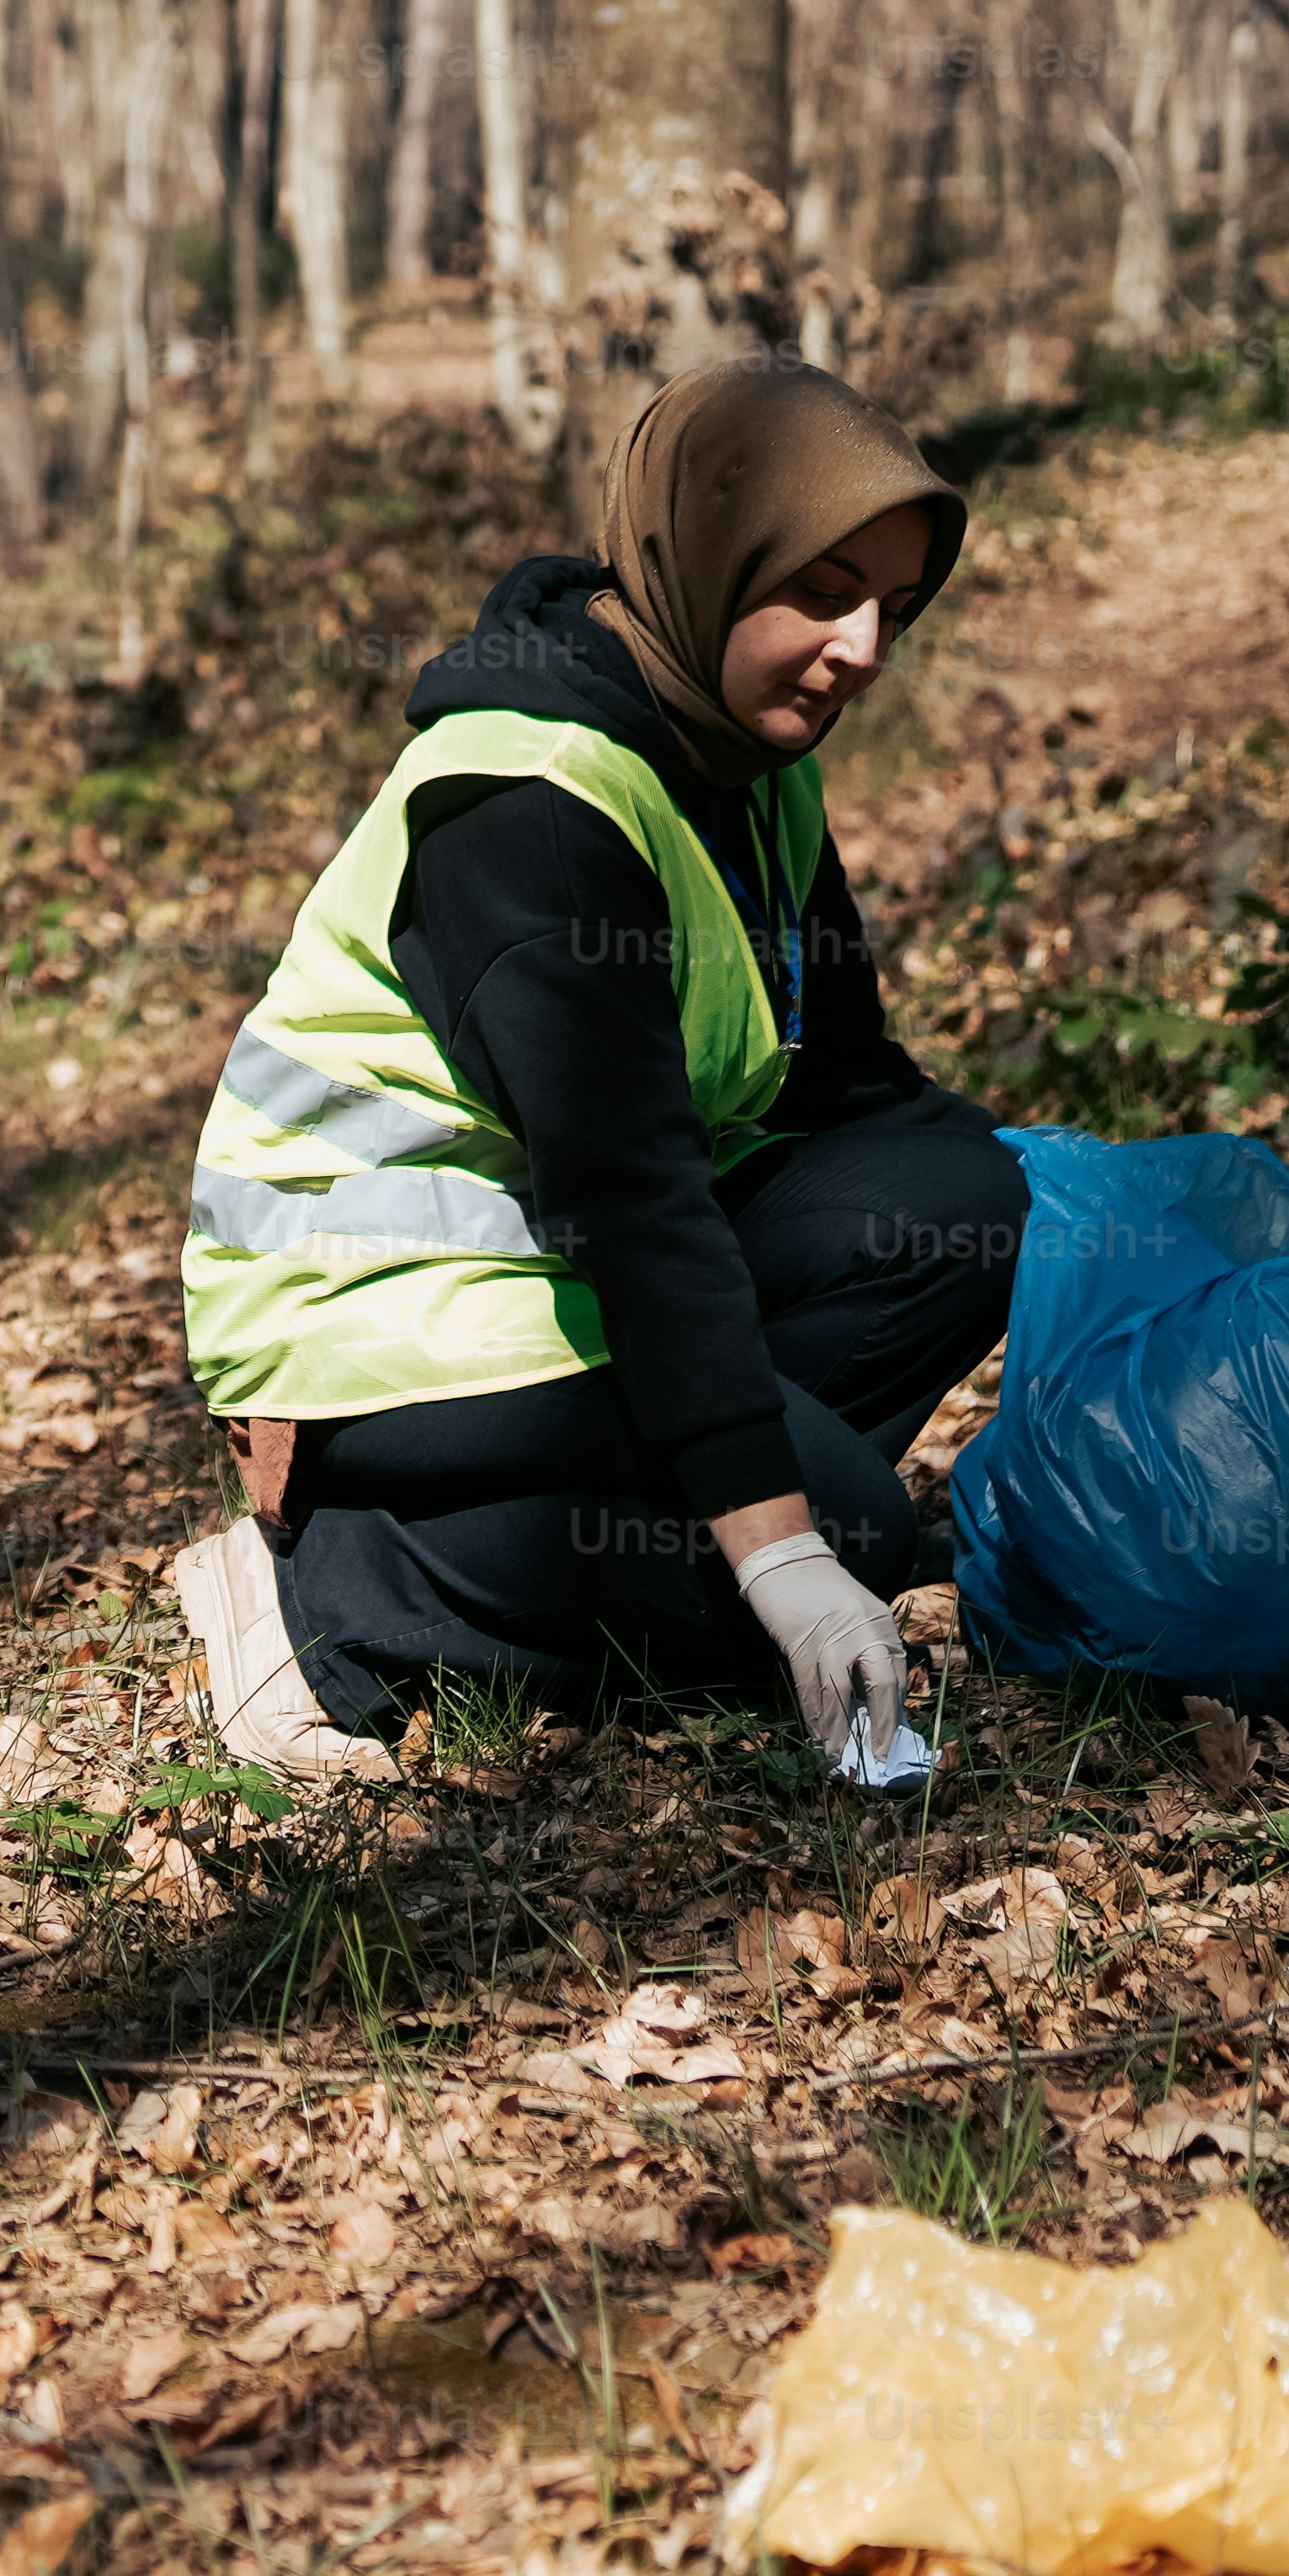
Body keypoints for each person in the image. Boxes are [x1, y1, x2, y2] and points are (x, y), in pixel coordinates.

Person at [173, 358, 1023, 1779]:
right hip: (385, 1308)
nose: (866, 647)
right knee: (853, 1535)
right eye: (823, 591)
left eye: (896, 605)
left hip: (558, 1264)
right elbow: (633, 1201)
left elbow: (853, 1090)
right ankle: (339, 1587)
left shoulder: (750, 758)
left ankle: (708, 1517)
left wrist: (1094, 1252)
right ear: (707, 555)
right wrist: (788, 1552)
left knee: (964, 1197)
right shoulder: (531, 802)